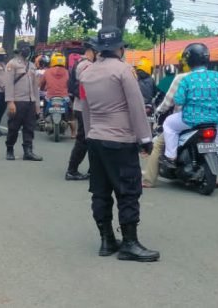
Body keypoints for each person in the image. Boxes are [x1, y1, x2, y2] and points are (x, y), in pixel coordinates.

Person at [79, 27, 158, 262]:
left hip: (95, 139)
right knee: (128, 191)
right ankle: (130, 244)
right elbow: (136, 106)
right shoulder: (124, 71)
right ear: (120, 48)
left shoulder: (86, 72)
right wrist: (145, 138)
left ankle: (106, 241)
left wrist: (89, 133)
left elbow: (85, 107)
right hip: (120, 140)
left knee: (100, 192)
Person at [163, 43, 218, 164]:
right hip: (214, 119)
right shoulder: (217, 76)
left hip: (191, 119)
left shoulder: (186, 79)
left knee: (168, 125)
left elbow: (178, 100)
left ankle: (171, 156)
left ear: (189, 60)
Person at [143, 53, 189, 188]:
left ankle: (149, 179)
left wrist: (158, 111)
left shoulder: (180, 78)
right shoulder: (212, 76)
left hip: (182, 118)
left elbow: (167, 101)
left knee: (158, 144)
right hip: (210, 119)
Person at [5, 40, 43, 161]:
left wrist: (37, 105)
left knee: (29, 127)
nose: (27, 50)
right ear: (20, 50)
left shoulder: (31, 66)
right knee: (13, 128)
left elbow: (35, 87)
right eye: (25, 48)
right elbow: (9, 84)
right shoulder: (12, 64)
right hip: (17, 101)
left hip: (30, 102)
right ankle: (9, 149)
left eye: (28, 48)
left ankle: (28, 151)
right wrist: (10, 102)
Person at [65, 41, 96, 181]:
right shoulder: (87, 65)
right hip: (84, 107)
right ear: (92, 51)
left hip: (81, 106)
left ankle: (92, 169)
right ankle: (72, 170)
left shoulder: (80, 63)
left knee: (88, 139)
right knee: (83, 140)